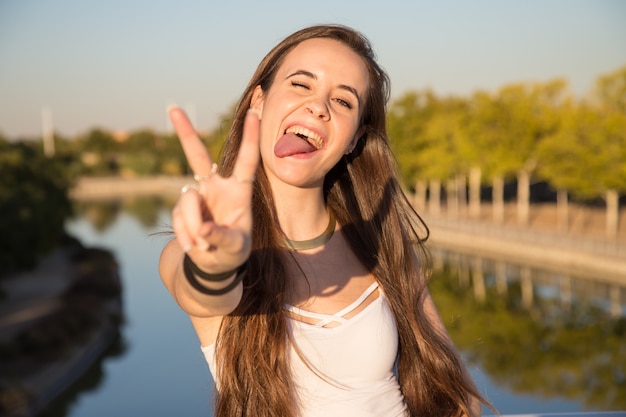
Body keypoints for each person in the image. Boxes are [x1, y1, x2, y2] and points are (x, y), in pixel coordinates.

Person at [159, 24, 492, 417]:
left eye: (344, 101)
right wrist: (216, 262)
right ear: (259, 102)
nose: (319, 106)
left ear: (353, 139)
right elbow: (203, 289)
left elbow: (457, 393)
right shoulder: (191, 251)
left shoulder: (381, 243)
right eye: (301, 85)